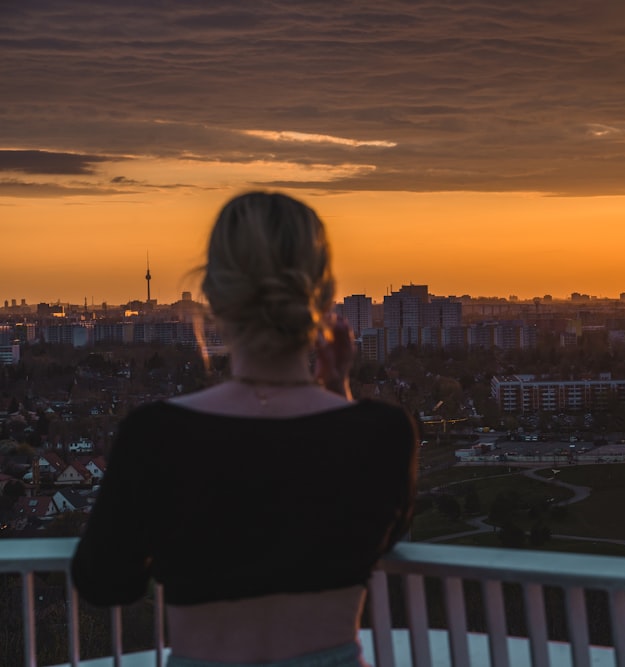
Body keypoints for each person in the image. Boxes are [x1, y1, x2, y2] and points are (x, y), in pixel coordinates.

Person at [71, 192, 418, 667]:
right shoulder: (381, 433)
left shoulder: (155, 436)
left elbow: (106, 581)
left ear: (213, 297)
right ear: (321, 296)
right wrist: (340, 399)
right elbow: (383, 530)